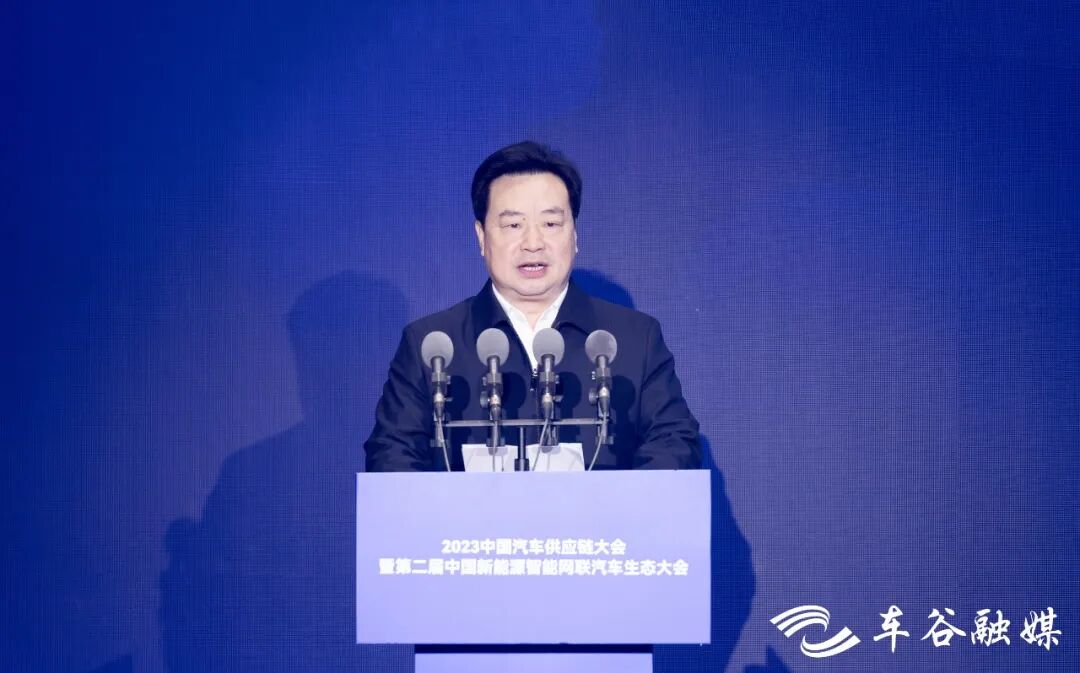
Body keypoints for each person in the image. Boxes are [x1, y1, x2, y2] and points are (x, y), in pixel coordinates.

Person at [364, 141, 699, 471]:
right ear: (481, 237)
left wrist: (611, 505)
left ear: (575, 235)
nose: (533, 243)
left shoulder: (634, 339)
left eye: (550, 224)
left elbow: (674, 444)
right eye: (513, 225)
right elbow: (392, 456)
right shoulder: (432, 344)